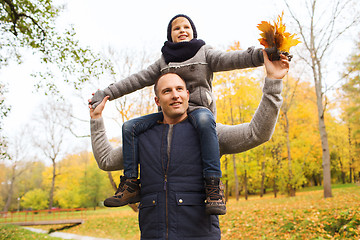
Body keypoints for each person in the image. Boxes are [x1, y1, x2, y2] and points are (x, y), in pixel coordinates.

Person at [89, 51, 289, 239]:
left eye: (179, 89)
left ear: (187, 94)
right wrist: (96, 119)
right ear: (158, 101)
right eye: (167, 91)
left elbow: (257, 133)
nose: (175, 95)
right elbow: (106, 160)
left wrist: (273, 81)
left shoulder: (210, 134)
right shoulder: (142, 138)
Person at [89, 14, 273, 215]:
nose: (182, 30)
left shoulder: (205, 53)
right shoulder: (163, 61)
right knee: (129, 126)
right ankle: (131, 183)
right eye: (176, 28)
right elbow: (135, 80)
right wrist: (105, 95)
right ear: (170, 36)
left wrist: (264, 55)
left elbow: (234, 58)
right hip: (164, 118)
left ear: (193, 32)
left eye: (186, 27)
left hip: (200, 111)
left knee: (204, 120)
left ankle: (212, 186)